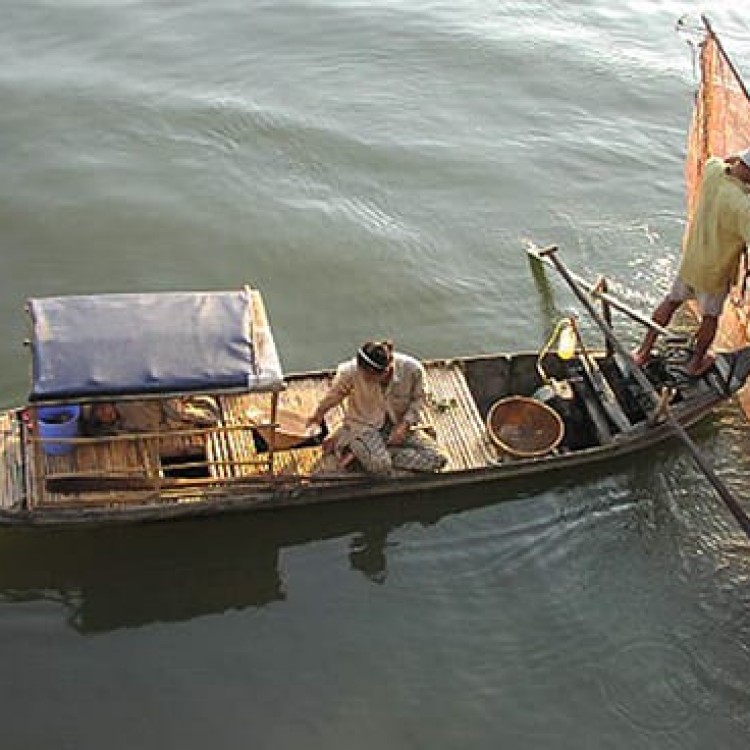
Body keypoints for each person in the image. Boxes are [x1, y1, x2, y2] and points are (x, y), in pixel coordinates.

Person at [633, 148, 750, 377]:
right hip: (714, 273)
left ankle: (643, 350)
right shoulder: (744, 207)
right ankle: (696, 362)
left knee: (671, 301)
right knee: (710, 317)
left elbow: (723, 160)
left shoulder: (713, 172)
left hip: (691, 261)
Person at [306, 340, 447, 475]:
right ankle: (363, 448)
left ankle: (365, 453)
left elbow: (420, 399)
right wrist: (318, 414)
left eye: (371, 377)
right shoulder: (350, 371)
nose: (366, 379)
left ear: (387, 370)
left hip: (397, 425)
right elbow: (335, 395)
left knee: (438, 458)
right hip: (364, 426)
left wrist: (405, 424)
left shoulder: (413, 369)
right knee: (380, 466)